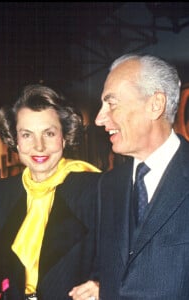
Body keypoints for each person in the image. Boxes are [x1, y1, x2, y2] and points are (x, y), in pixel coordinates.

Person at [71, 53, 189, 299]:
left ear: (155, 105)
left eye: (111, 103)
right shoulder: (110, 184)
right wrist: (101, 286)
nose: (99, 118)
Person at [0, 84, 101, 300]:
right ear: (15, 140)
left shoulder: (96, 189)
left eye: (49, 133)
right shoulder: (0, 194)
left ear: (64, 136)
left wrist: (102, 285)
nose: (39, 146)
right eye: (27, 135)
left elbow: (124, 257)